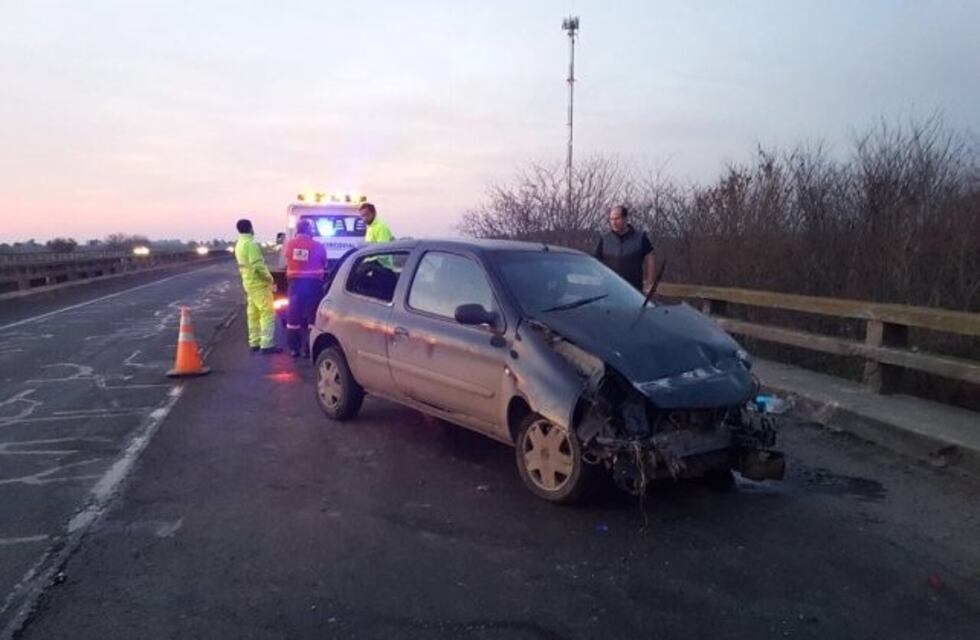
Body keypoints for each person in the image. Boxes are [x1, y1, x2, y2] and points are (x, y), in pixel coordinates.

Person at [234, 219, 281, 354]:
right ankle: (267, 344)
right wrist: (269, 278)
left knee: (253, 314)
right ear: (250, 228)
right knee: (267, 313)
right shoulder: (251, 244)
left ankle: (254, 341)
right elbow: (258, 265)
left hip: (248, 283)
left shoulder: (239, 244)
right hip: (259, 284)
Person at [283, 219, 327, 358]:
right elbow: (324, 263)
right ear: (309, 230)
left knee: (293, 318)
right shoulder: (318, 245)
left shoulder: (290, 245)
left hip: (295, 284)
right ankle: (308, 349)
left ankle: (294, 349)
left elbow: (287, 260)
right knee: (312, 318)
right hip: (314, 285)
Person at [594, 205, 655, 291]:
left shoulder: (640, 237)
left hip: (633, 290)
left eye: (617, 219)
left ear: (625, 218)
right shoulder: (605, 239)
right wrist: (600, 278)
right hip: (609, 288)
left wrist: (649, 281)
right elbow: (596, 262)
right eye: (611, 219)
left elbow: (650, 257)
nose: (613, 222)